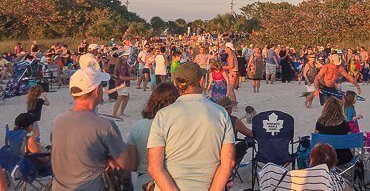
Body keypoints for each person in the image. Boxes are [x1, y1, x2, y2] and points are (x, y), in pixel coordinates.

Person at [147, 62, 235, 190]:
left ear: (176, 85)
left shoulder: (163, 115)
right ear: (201, 81)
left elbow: (154, 167)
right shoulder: (221, 113)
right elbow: (228, 163)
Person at [51, 67, 130, 190]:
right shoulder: (104, 125)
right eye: (101, 85)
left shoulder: (58, 121)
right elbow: (125, 163)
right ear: (96, 91)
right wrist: (109, 159)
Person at [127, 83, 180, 191]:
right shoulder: (178, 126)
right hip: (172, 180)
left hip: (144, 179)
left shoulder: (138, 126)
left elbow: (132, 164)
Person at [315, 98, 353, 165]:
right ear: (339, 109)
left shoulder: (320, 121)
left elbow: (316, 138)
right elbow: (349, 140)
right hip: (343, 157)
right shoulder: (345, 123)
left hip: (324, 157)